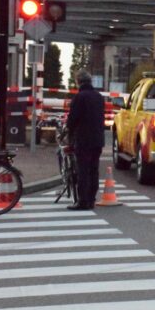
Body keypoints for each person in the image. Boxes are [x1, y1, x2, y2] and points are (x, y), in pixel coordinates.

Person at [65, 69, 105, 210]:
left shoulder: (79, 97)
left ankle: (82, 201)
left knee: (83, 170)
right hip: (98, 139)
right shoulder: (99, 97)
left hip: (83, 139)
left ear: (78, 82)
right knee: (94, 170)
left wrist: (68, 131)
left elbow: (73, 119)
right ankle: (91, 199)